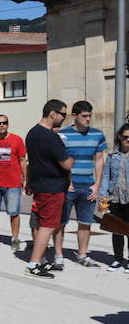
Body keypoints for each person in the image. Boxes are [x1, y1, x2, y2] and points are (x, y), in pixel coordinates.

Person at [54, 101, 107, 268]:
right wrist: (66, 182)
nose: (88, 119)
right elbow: (59, 161)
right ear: (74, 116)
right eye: (84, 116)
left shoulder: (98, 134)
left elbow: (99, 160)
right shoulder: (62, 135)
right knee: (61, 222)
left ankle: (82, 255)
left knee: (86, 223)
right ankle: (58, 255)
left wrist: (97, 185)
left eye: (90, 116)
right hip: (68, 186)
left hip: (88, 187)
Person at [25, 99, 74, 278]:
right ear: (52, 113)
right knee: (48, 226)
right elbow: (67, 164)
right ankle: (34, 264)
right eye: (63, 114)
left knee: (41, 224)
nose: (64, 118)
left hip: (40, 186)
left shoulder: (32, 133)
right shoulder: (50, 136)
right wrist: (72, 158)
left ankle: (41, 260)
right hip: (52, 188)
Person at [0, 114, 27, 250]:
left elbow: (22, 160)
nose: (2, 125)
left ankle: (15, 239)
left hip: (12, 183)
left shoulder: (17, 140)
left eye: (4, 122)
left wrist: (25, 179)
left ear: (8, 124)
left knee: (14, 212)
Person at [100, 122, 129, 272]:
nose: (128, 140)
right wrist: (103, 196)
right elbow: (106, 176)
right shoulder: (112, 155)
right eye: (125, 137)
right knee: (117, 230)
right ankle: (118, 259)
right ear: (119, 137)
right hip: (115, 198)